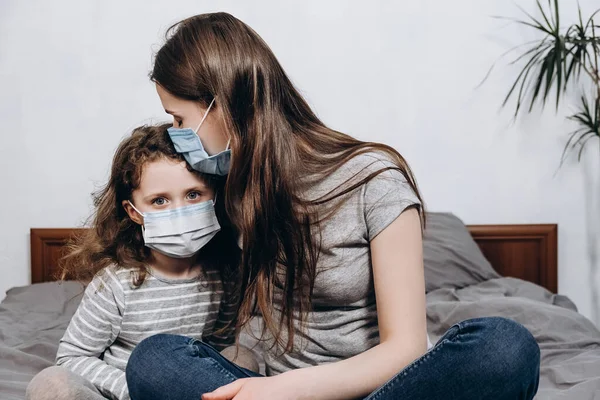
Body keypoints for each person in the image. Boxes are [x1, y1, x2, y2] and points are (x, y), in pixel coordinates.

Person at [124, 12, 541, 400]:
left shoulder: (373, 178)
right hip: (274, 391)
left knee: (505, 348)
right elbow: (249, 327)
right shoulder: (232, 189)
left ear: (223, 103)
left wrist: (285, 390)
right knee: (154, 360)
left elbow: (407, 347)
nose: (176, 133)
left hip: (377, 390)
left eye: (179, 119)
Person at [25, 124, 258, 400]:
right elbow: (72, 357)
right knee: (50, 383)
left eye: (193, 194)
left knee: (242, 356)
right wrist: (134, 391)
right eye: (159, 201)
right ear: (133, 212)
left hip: (186, 392)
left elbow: (215, 353)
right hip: (123, 394)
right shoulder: (115, 283)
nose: (180, 211)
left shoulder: (224, 274)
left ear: (214, 196)